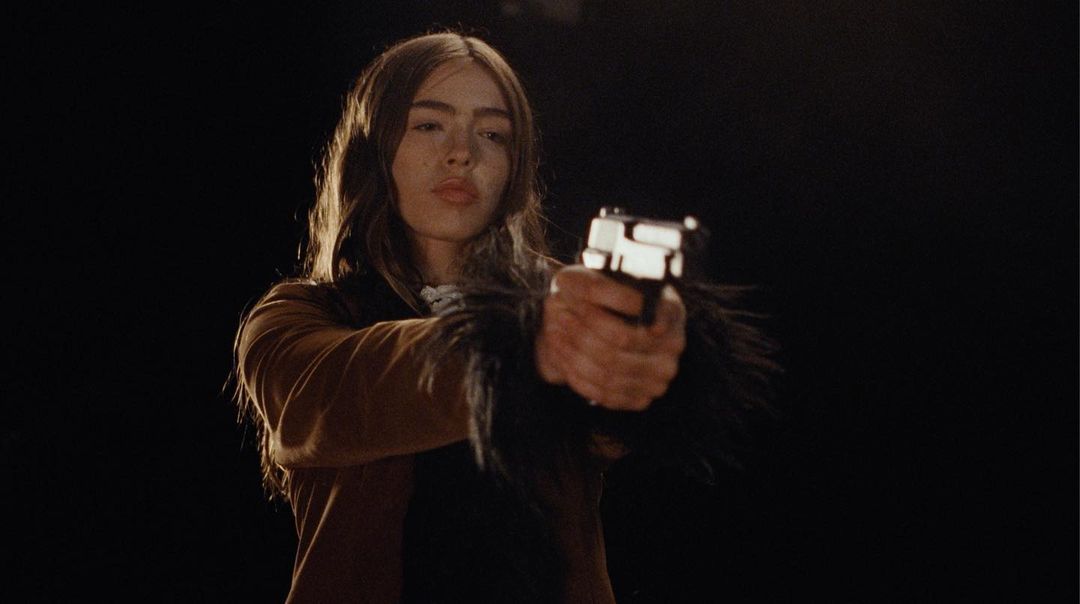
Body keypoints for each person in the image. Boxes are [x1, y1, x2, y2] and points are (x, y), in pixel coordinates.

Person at [234, 31, 772, 603]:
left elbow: (616, 427)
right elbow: (337, 397)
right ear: (375, 150)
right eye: (429, 124)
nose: (462, 152)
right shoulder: (297, 316)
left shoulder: (566, 299)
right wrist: (522, 342)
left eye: (493, 134)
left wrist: (654, 346)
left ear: (514, 166)